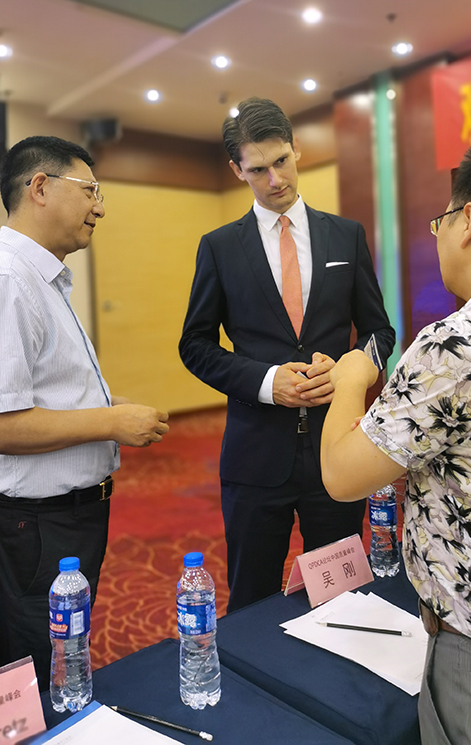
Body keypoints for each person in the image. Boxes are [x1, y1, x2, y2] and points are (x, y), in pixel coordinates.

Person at [321, 128, 471, 744]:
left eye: (441, 220)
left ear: (469, 220)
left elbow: (343, 475)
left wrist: (351, 379)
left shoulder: (464, 340)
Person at [0, 135, 169, 690]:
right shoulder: (1, 281)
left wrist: (107, 406)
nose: (99, 207)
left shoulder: (38, 280)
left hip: (51, 526)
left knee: (61, 669)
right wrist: (110, 423)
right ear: (39, 187)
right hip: (20, 530)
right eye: (90, 190)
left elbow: (37, 394)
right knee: (37, 681)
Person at [179, 97, 395, 612]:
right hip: (255, 456)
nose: (275, 179)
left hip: (336, 448)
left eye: (281, 161)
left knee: (342, 595)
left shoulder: (346, 235)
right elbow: (195, 345)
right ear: (237, 170)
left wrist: (349, 371)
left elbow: (379, 332)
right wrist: (266, 381)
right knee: (251, 600)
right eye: (258, 170)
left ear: (297, 148)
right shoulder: (220, 247)